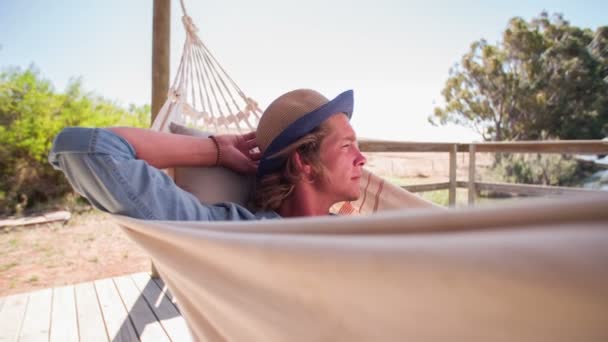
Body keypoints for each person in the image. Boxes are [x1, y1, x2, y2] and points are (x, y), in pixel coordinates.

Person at [49, 89, 367, 221]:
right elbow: (84, 148)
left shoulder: (350, 225)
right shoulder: (234, 234)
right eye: (346, 145)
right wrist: (214, 151)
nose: (362, 159)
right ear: (304, 163)